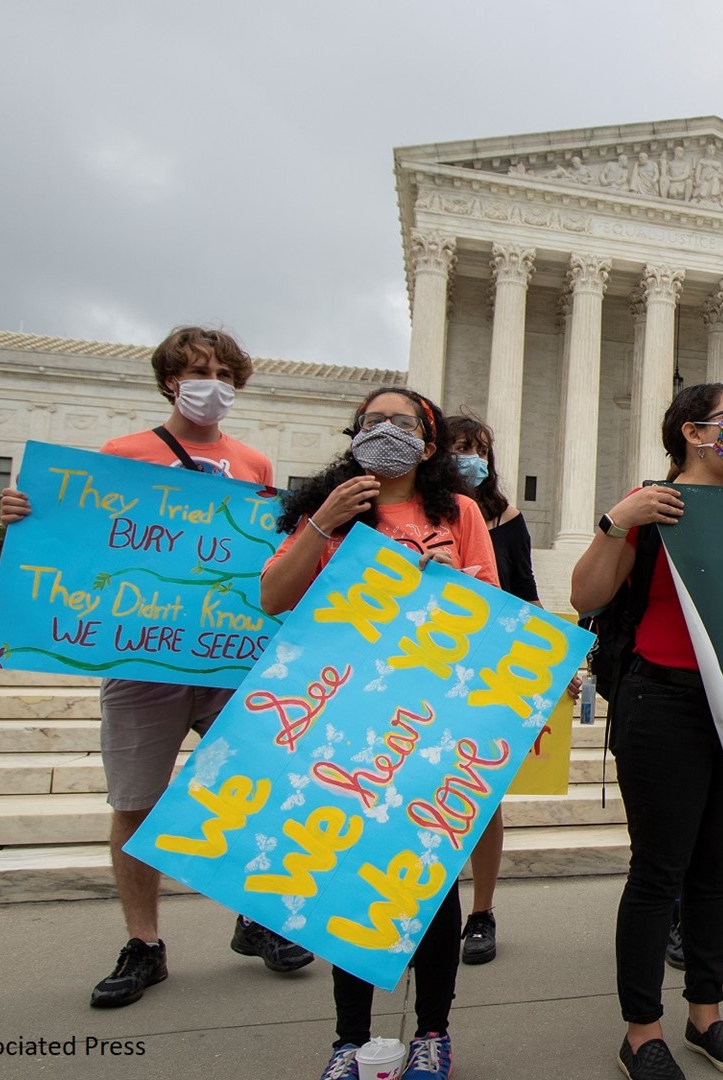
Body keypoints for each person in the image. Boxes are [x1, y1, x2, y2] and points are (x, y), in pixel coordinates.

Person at [0, 326, 313, 1008]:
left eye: (225, 372)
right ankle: (145, 943)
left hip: (228, 658)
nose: (213, 385)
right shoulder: (124, 455)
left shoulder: (254, 465)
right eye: (199, 371)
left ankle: (255, 917)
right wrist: (26, 516)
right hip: (141, 661)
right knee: (135, 804)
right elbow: (83, 537)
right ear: (170, 379)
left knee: (254, 790)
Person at [261, 386, 490, 1080]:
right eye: (372, 421)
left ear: (428, 444)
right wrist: (323, 525)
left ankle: (432, 1033)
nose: (384, 430)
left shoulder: (462, 514)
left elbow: (497, 611)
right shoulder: (322, 511)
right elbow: (275, 598)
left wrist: (455, 586)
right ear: (353, 433)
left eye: (401, 422)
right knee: (347, 880)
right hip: (345, 719)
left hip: (429, 718)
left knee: (433, 883)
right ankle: (349, 1041)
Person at [571, 383, 723, 1080]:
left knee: (713, 873)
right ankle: (642, 1031)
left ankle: (707, 1014)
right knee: (657, 872)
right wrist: (617, 521)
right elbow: (586, 597)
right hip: (660, 701)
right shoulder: (653, 507)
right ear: (693, 433)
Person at [443, 413, 542, 965]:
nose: (469, 456)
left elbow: (525, 594)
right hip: (419, 670)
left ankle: (481, 912)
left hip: (484, 671)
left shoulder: (506, 517)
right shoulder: (411, 513)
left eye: (478, 447)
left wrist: (554, 666)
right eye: (459, 446)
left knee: (481, 800)